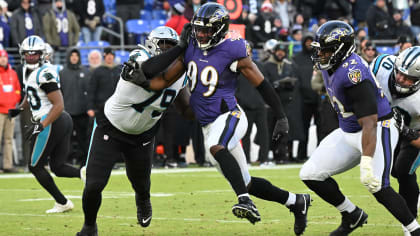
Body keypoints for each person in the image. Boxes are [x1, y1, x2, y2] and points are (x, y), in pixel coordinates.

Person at [131, 3, 312, 235]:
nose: (202, 34)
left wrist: (281, 116)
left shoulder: (232, 49)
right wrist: (141, 82)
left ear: (220, 29)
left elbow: (262, 84)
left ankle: (245, 201)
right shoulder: (191, 47)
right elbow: (165, 79)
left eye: (207, 30)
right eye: (199, 29)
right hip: (208, 124)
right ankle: (296, 202)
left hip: (230, 115)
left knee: (215, 147)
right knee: (244, 180)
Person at [299, 20, 420, 236]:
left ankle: (413, 230)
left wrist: (367, 159)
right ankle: (352, 214)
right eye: (321, 50)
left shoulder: (353, 74)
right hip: (351, 130)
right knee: (310, 173)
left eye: (326, 51)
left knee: (385, 180)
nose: (321, 55)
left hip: (380, 127)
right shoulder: (377, 65)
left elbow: (370, 119)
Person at [76, 26, 192, 236]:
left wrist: (212, 111)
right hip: (111, 128)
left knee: (141, 183)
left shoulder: (180, 74)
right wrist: (181, 48)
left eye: (172, 47)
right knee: (94, 184)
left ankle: (143, 200)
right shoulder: (139, 55)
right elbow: (149, 70)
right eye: (164, 46)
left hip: (144, 134)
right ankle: (89, 226)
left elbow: (186, 108)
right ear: (152, 44)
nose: (168, 51)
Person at [8, 35, 83, 213]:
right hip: (58, 120)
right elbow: (32, 93)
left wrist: (42, 124)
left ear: (43, 54)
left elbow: (59, 105)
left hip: (52, 120)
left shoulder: (45, 72)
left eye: (35, 54)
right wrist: (20, 108)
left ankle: (63, 202)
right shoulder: (32, 71)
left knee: (34, 166)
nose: (31, 57)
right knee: (57, 167)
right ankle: (86, 174)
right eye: (27, 53)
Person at [370, 46, 420, 235]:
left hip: (413, 132)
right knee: (392, 171)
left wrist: (405, 130)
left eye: (408, 78)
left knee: (404, 170)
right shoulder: (381, 65)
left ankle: (412, 223)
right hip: (388, 128)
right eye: (399, 73)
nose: (400, 79)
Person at [60, 48, 91, 166]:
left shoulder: (86, 72)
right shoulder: (62, 73)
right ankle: (66, 160)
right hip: (67, 113)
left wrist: (89, 108)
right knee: (66, 139)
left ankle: (84, 161)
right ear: (68, 57)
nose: (74, 57)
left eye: (76, 55)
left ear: (79, 57)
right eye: (72, 55)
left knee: (82, 138)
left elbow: (90, 91)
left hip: (82, 112)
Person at [0, 49, 20, 173]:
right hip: (0, 110)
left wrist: (14, 100)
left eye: (4, 57)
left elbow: (17, 90)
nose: (3, 59)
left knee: (8, 139)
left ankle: (8, 165)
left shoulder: (13, 73)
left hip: (11, 110)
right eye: (1, 57)